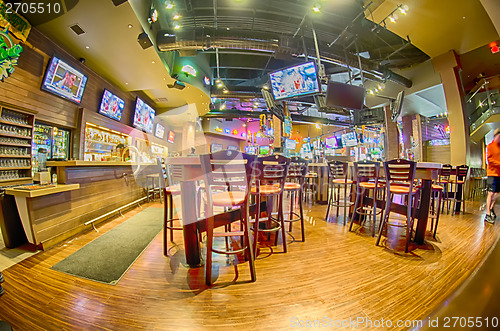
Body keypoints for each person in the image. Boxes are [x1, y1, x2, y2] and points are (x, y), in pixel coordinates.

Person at [485, 128, 500, 224]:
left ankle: (491, 208)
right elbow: (490, 160)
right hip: (491, 173)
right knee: (491, 193)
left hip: (499, 173)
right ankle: (488, 213)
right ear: (496, 136)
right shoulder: (490, 146)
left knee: (497, 193)